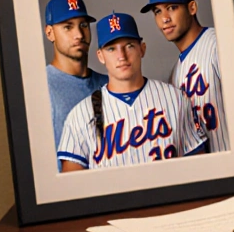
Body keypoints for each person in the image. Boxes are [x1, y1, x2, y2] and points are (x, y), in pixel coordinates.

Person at [57, 13, 208, 171]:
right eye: (111, 49)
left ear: (142, 49)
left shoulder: (175, 98)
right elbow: (73, 188)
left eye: (129, 46)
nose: (121, 56)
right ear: (101, 56)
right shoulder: (80, 115)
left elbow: (200, 170)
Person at [142, 0, 228, 153]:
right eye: (157, 11)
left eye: (172, 8)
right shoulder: (176, 73)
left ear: (192, 7)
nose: (164, 18)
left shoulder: (218, 45)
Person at [43, 0, 108, 147]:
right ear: (49, 33)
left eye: (83, 25)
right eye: (68, 27)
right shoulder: (40, 88)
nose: (79, 35)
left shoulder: (111, 83)